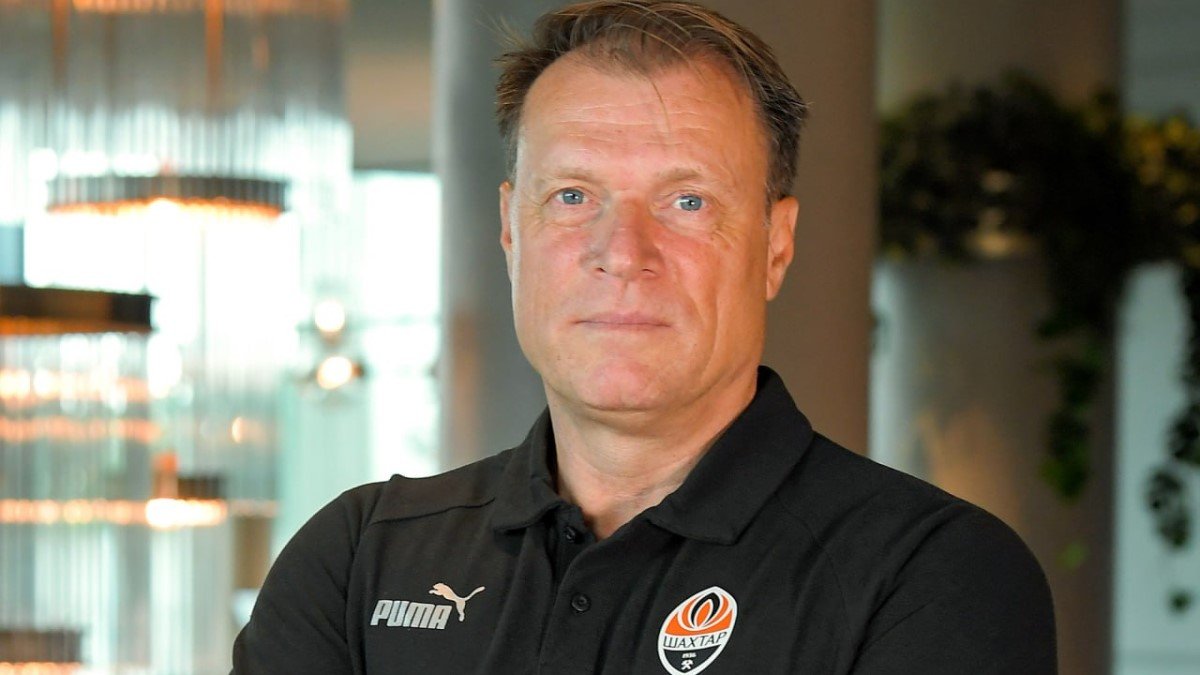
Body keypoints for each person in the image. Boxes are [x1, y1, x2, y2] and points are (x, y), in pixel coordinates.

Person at [232, 1, 1057, 673]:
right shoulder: (360, 557)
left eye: (686, 201)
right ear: (511, 232)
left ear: (776, 245)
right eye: (572, 197)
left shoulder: (931, 573)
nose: (623, 253)